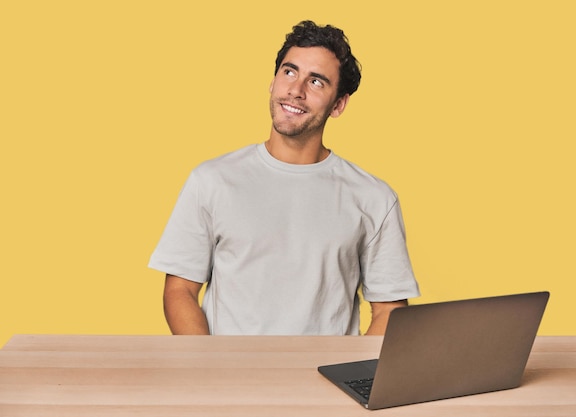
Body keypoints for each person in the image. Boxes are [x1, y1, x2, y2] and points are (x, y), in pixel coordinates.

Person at [149, 20, 420, 336]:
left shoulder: (373, 197)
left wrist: (350, 377)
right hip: (230, 378)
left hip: (325, 382)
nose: (296, 90)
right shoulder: (212, 181)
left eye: (316, 82)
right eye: (289, 72)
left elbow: (389, 310)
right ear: (273, 81)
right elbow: (179, 291)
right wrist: (211, 371)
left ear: (339, 104)